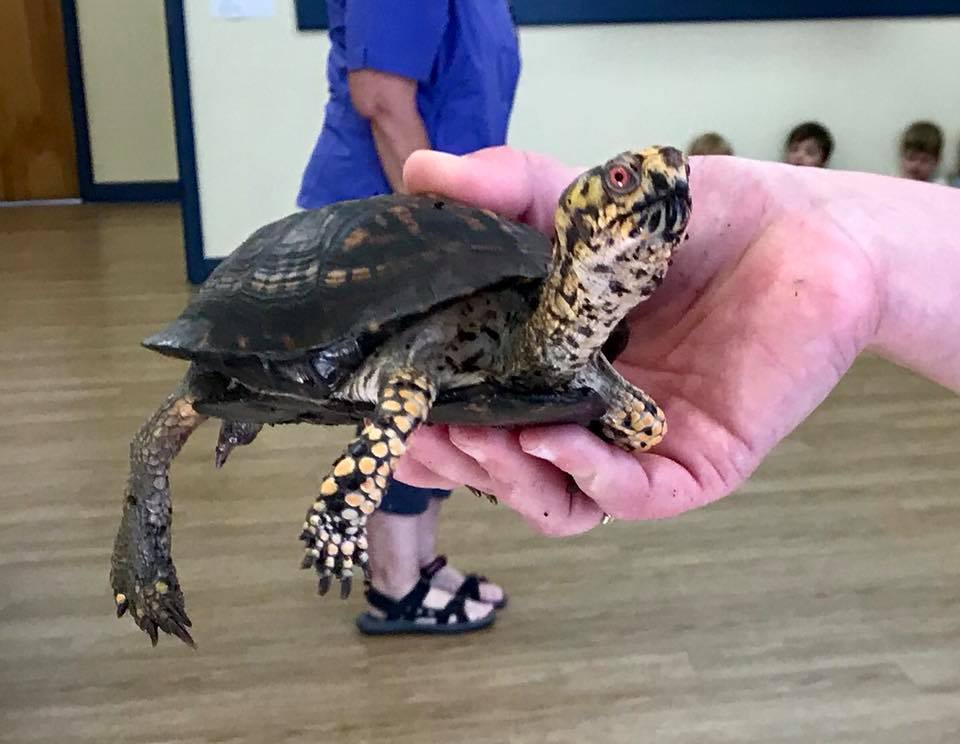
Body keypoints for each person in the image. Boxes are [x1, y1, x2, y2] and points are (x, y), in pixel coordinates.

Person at [386, 144, 960, 537]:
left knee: (642, 430)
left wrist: (855, 253)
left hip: (571, 363)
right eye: (622, 180)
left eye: (676, 186)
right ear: (575, 213)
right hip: (419, 339)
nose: (662, 188)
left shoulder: (624, 377)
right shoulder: (531, 270)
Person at [296, 0, 520, 633]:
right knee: (407, 398)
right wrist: (436, 236)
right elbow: (382, 99)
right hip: (389, 220)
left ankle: (417, 563)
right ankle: (394, 584)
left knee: (440, 397)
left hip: (435, 213)